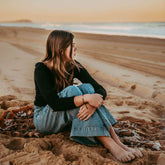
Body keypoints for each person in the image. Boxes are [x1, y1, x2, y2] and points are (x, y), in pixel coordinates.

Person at [33, 30, 143, 162]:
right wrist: (85, 99)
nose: (75, 48)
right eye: (71, 45)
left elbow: (100, 89)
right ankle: (110, 144)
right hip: (44, 119)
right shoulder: (41, 69)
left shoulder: (73, 65)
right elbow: (55, 103)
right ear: (61, 50)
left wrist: (91, 106)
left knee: (88, 88)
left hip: (64, 118)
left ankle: (118, 142)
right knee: (73, 91)